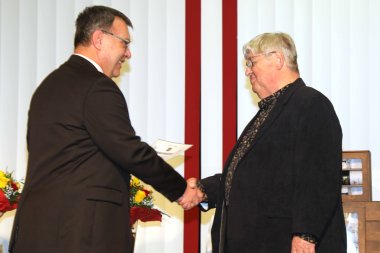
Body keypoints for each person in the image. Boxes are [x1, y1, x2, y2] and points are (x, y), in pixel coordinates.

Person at [9, 5, 202, 253]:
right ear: (99, 39)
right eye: (124, 43)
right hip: (80, 233)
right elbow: (129, 150)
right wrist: (181, 190)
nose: (128, 53)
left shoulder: (48, 87)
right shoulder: (97, 86)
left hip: (38, 230)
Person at [190, 32, 347, 253]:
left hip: (284, 243)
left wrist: (305, 235)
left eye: (251, 62)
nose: (247, 71)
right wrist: (204, 190)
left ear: (278, 59)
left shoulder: (311, 104)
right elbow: (251, 177)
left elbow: (319, 177)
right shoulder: (269, 111)